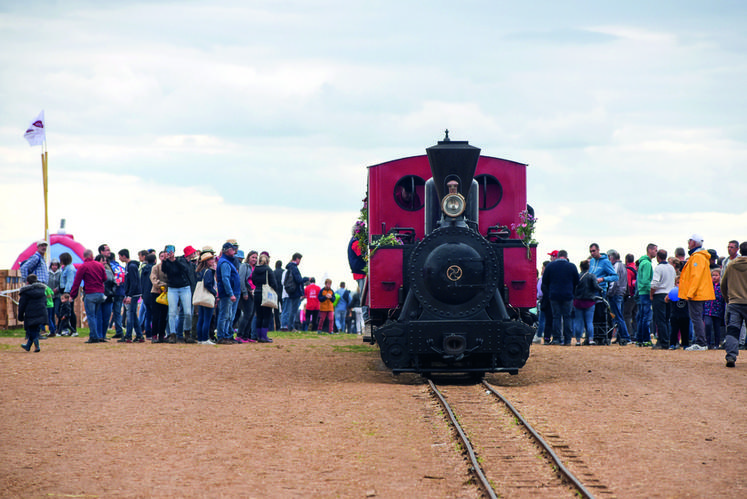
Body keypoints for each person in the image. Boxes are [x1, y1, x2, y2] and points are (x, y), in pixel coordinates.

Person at [679, 234, 715, 351]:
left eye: (689, 241)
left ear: (694, 243)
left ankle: (701, 342)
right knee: (697, 317)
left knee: (696, 317)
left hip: (696, 294)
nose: (688, 243)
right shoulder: (698, 256)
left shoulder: (697, 257)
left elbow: (696, 276)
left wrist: (690, 292)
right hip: (698, 292)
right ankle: (700, 341)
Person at [541, 249, 579, 345]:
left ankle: (557, 338)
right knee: (567, 317)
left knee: (556, 317)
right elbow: (577, 281)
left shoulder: (550, 266)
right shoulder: (572, 266)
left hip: (554, 295)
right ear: (566, 256)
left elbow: (544, 281)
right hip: (568, 295)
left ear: (558, 256)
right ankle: (567, 340)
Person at [69, 249, 107, 343]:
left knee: (91, 316)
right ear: (92, 255)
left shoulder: (83, 266)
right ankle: (99, 335)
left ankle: (94, 336)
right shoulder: (99, 265)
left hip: (90, 293)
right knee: (98, 315)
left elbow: (76, 282)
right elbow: (104, 278)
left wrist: (72, 295)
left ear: (84, 256)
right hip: (100, 293)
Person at [161, 245, 194, 343]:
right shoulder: (166, 262)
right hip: (172, 288)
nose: (169, 253)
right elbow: (164, 271)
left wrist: (174, 260)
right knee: (172, 312)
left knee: (188, 312)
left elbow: (183, 269)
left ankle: (187, 333)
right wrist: (165, 260)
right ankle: (172, 334)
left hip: (184, 287)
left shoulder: (180, 260)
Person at [721, 241, 747, 367]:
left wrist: (727, 298)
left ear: (739, 251)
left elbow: (723, 284)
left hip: (734, 302)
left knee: (732, 330)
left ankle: (731, 356)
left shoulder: (731, 265)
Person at [650, 249, 676, 349]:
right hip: (669, 295)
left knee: (660, 319)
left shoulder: (658, 268)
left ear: (658, 257)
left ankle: (663, 342)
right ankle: (668, 340)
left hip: (659, 295)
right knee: (667, 319)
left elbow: (655, 283)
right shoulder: (671, 268)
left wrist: (651, 294)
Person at [216, 242, 241, 344]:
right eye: (232, 249)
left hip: (231, 293)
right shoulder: (225, 263)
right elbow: (225, 279)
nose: (234, 251)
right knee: (225, 315)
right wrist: (231, 293)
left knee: (229, 315)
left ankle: (227, 336)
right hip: (227, 294)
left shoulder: (227, 261)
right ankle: (222, 337)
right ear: (227, 250)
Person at [251, 253, 279, 343]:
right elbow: (274, 283)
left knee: (259, 316)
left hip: (257, 293)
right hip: (266, 294)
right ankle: (264, 336)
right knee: (267, 316)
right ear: (267, 261)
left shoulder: (255, 270)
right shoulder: (268, 269)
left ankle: (259, 337)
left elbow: (253, 281)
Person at [573, 260, 601, 345]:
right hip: (589, 301)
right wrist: (601, 289)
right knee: (589, 322)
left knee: (579, 321)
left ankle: (578, 340)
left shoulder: (577, 276)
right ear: (588, 267)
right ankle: (590, 339)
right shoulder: (592, 276)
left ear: (580, 267)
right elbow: (596, 286)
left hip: (578, 301)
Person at [118, 249, 143, 343]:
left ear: (124, 256)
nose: (119, 258)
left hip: (133, 294)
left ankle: (128, 336)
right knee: (132, 314)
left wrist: (129, 295)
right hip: (132, 293)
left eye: (120, 256)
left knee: (130, 315)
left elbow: (134, 282)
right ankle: (139, 335)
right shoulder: (129, 266)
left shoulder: (131, 267)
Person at [606, 250, 631, 346]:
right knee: (619, 316)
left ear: (611, 257)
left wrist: (609, 293)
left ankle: (625, 337)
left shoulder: (616, 266)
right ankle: (621, 337)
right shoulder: (623, 266)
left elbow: (614, 281)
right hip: (621, 293)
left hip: (616, 294)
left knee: (618, 316)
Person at [18, 274, 48, 352]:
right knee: (35, 329)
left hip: (31, 313)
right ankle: (28, 346)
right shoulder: (42, 291)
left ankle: (37, 346)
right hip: (41, 312)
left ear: (27, 282)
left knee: (32, 330)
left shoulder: (26, 292)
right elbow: (45, 302)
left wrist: (20, 316)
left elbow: (22, 305)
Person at [636, 244, 657, 346]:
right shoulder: (647, 264)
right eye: (655, 250)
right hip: (645, 293)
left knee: (641, 317)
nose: (656, 253)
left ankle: (639, 339)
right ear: (650, 250)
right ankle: (646, 340)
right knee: (646, 317)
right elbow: (645, 280)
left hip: (641, 292)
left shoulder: (642, 262)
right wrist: (651, 291)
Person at [195, 252, 217, 345]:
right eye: (211, 259)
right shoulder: (208, 271)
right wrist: (214, 292)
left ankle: (200, 338)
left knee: (201, 318)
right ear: (207, 261)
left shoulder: (200, 271)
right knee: (207, 319)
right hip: (207, 296)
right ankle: (205, 339)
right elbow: (207, 284)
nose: (213, 261)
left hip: (200, 297)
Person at [149, 251, 169, 343]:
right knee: (156, 315)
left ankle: (162, 334)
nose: (163, 258)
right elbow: (153, 279)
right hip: (156, 292)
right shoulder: (155, 267)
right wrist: (163, 286)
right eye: (162, 256)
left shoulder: (170, 267)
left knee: (164, 315)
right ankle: (154, 335)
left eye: (165, 256)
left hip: (166, 294)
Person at [281, 253, 304, 331]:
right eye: (299, 259)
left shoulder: (288, 268)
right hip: (294, 291)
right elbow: (298, 279)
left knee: (287, 310)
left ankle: (284, 325)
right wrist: (305, 279)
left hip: (288, 291)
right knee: (292, 310)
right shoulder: (294, 268)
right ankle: (290, 326)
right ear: (297, 259)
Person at [238, 250, 258, 342]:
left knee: (251, 315)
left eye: (256, 257)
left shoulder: (255, 268)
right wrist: (244, 292)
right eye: (253, 257)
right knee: (247, 314)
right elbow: (241, 279)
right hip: (247, 292)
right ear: (248, 257)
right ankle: (240, 335)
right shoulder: (244, 266)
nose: (254, 259)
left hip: (254, 293)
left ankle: (247, 336)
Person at [704, 268, 725, 349]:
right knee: (708, 325)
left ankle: (716, 344)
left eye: (716, 275)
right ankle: (708, 342)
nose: (714, 277)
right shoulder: (708, 286)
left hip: (718, 310)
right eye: (713, 275)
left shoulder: (722, 287)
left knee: (717, 327)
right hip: (708, 309)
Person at [58, 252, 77, 336]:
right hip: (64, 290)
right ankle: (66, 329)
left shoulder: (70, 269)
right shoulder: (65, 268)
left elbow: (70, 281)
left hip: (68, 291)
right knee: (65, 311)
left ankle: (73, 329)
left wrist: (66, 293)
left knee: (69, 311)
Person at [667, 282, 690, 350]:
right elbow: (666, 300)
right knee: (674, 331)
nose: (679, 284)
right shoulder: (673, 292)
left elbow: (690, 301)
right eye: (678, 283)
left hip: (685, 315)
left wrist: (686, 297)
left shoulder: (687, 293)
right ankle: (672, 344)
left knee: (685, 331)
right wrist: (668, 297)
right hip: (674, 315)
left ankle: (685, 345)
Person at [623, 253, 638, 340]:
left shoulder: (628, 270)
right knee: (635, 315)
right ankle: (637, 334)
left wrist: (626, 295)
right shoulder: (635, 268)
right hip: (636, 295)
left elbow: (628, 284)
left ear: (626, 260)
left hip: (630, 295)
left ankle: (629, 334)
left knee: (626, 315)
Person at [46, 259, 61, 336]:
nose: (54, 267)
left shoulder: (60, 273)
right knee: (51, 313)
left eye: (56, 265)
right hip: (50, 296)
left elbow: (61, 283)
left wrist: (57, 289)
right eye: (53, 265)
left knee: (57, 311)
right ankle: (53, 328)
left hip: (58, 295)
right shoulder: (48, 274)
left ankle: (60, 328)